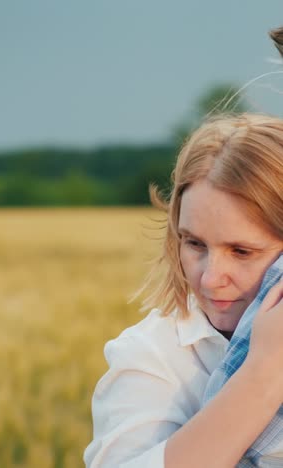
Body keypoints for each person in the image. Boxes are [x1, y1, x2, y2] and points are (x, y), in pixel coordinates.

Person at [83, 113, 283, 467]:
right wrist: (264, 373)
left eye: (241, 252)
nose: (209, 278)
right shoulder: (150, 357)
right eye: (194, 244)